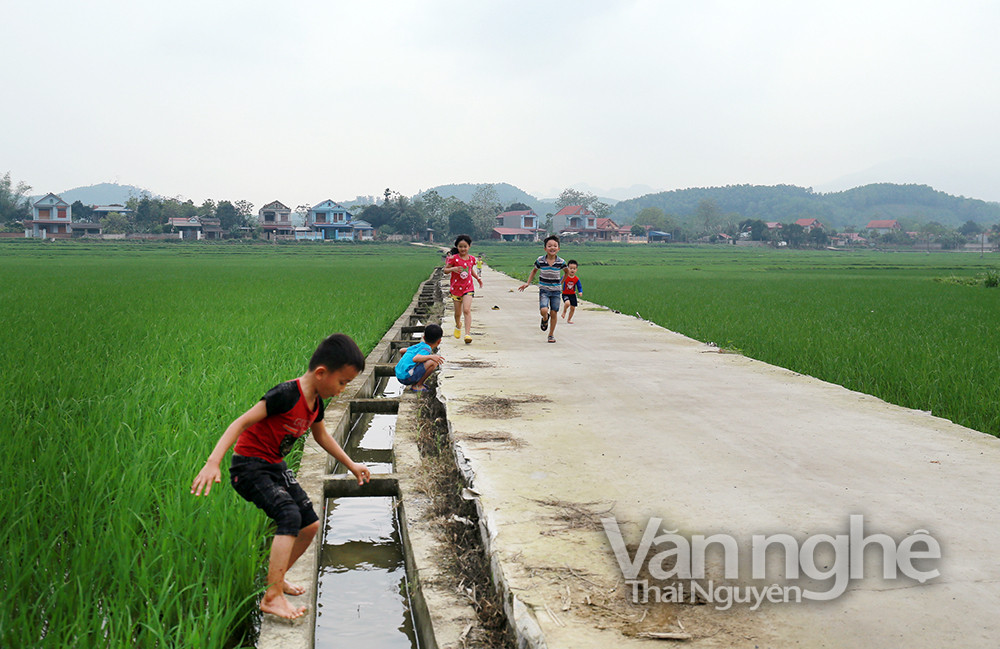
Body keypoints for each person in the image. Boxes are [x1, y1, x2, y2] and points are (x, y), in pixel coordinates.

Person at [190, 333, 371, 621]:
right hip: (248, 466)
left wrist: (351, 465)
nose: (343, 389)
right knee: (289, 516)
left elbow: (322, 436)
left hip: (273, 465)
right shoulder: (286, 394)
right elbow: (240, 422)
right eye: (342, 382)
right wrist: (213, 462)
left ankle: (278, 578)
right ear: (321, 373)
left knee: (309, 524)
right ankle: (272, 597)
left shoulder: (316, 404)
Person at [517, 235, 567, 343]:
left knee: (554, 312)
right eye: (549, 246)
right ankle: (545, 318)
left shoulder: (561, 262)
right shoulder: (540, 260)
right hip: (544, 289)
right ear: (545, 248)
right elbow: (534, 271)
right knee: (544, 310)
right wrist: (527, 283)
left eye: (555, 246)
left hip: (556, 291)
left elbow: (566, 272)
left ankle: (551, 335)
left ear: (558, 248)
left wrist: (561, 283)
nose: (552, 248)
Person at [443, 235, 483, 344]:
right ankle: (458, 324)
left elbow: (470, 270)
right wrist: (453, 268)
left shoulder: (472, 259)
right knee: (457, 313)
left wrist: (478, 278)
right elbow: (445, 270)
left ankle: (467, 334)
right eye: (460, 246)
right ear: (457, 247)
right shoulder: (454, 258)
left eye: (465, 246)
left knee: (466, 310)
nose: (463, 249)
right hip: (456, 289)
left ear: (469, 246)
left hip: (468, 287)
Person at [395, 323, 444, 392]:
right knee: (433, 362)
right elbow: (415, 358)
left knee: (425, 359)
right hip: (406, 378)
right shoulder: (427, 349)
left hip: (399, 375)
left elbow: (401, 350)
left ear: (423, 338)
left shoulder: (419, 345)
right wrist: (432, 356)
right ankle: (418, 385)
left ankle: (415, 380)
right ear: (439, 341)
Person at [560, 259, 583, 324]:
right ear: (567, 269)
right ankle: (564, 311)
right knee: (567, 303)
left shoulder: (576, 279)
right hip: (565, 294)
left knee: (572, 308)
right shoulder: (565, 277)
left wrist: (580, 291)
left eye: (574, 268)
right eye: (570, 268)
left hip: (572, 294)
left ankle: (569, 319)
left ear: (576, 270)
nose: (572, 270)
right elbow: (560, 283)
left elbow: (579, 286)